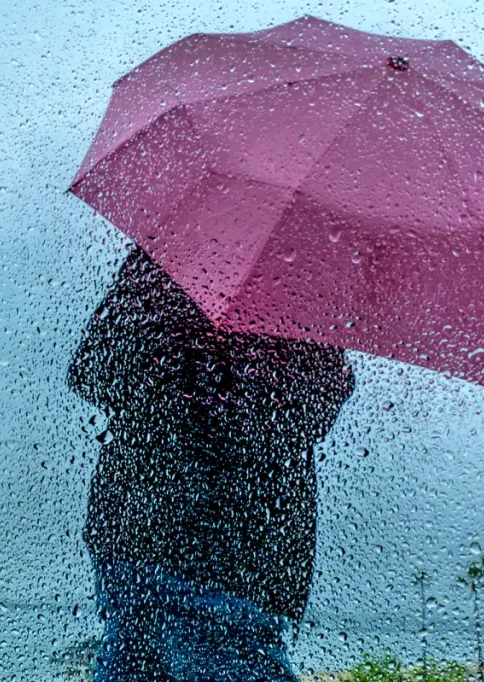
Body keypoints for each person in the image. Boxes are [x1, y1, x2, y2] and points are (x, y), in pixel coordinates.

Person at [67, 245, 355, 681]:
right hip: (241, 549)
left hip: (131, 529)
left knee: (134, 649)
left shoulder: (171, 247)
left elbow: (90, 370)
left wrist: (170, 376)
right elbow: (314, 413)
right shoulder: (309, 275)